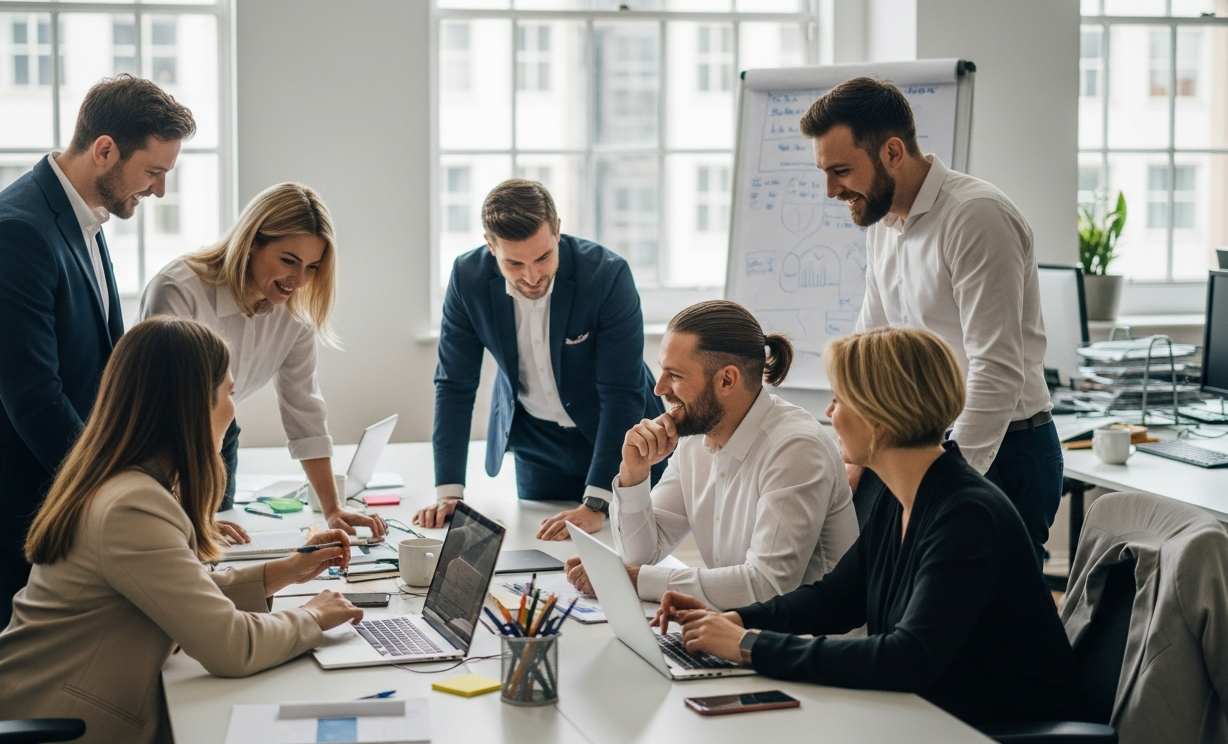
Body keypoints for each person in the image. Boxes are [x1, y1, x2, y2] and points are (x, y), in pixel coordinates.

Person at [657, 327, 1084, 728]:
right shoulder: (902, 497)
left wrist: (749, 645)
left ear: (880, 416)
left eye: (839, 399)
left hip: (999, 728)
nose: (829, 412)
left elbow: (908, 657)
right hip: (934, 713)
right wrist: (731, 618)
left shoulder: (966, 514)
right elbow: (837, 599)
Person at [0, 316, 363, 743]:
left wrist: (284, 571)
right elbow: (230, 646)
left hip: (43, 710)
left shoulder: (124, 482)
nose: (233, 407)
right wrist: (313, 616)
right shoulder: (131, 506)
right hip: (51, 727)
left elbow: (180, 594)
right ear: (192, 405)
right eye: (229, 393)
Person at [0, 75, 196, 636]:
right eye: (154, 171)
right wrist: (116, 486)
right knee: (27, 659)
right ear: (104, 150)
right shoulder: (16, 232)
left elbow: (99, 360)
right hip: (15, 487)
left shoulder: (83, 217)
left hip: (55, 472)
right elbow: (35, 398)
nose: (160, 191)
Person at [800, 76, 1060, 567]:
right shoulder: (883, 222)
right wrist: (852, 455)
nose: (832, 190)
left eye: (841, 171)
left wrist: (946, 484)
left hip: (1003, 445)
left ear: (893, 152)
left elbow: (996, 370)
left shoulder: (975, 218)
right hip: (921, 444)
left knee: (992, 627)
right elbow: (867, 349)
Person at [564, 300, 857, 610]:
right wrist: (634, 474)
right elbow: (642, 556)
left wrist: (634, 580)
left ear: (727, 380)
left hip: (808, 645)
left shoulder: (795, 448)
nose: (659, 389)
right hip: (738, 630)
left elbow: (768, 586)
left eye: (674, 375)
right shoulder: (694, 441)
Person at [417, 178, 663, 539]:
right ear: (490, 245)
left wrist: (597, 502)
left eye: (543, 257)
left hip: (617, 438)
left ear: (558, 231)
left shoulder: (606, 276)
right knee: (541, 549)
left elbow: (622, 393)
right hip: (536, 443)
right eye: (514, 263)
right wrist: (449, 492)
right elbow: (455, 386)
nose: (531, 276)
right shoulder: (467, 277)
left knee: (625, 550)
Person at [139, 182, 386, 541]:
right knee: (172, 542)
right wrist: (193, 518)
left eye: (312, 267)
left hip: (220, 433)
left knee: (223, 542)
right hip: (157, 436)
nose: (299, 280)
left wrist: (333, 508)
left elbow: (304, 409)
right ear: (251, 242)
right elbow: (167, 412)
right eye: (289, 261)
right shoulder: (180, 289)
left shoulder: (293, 314)